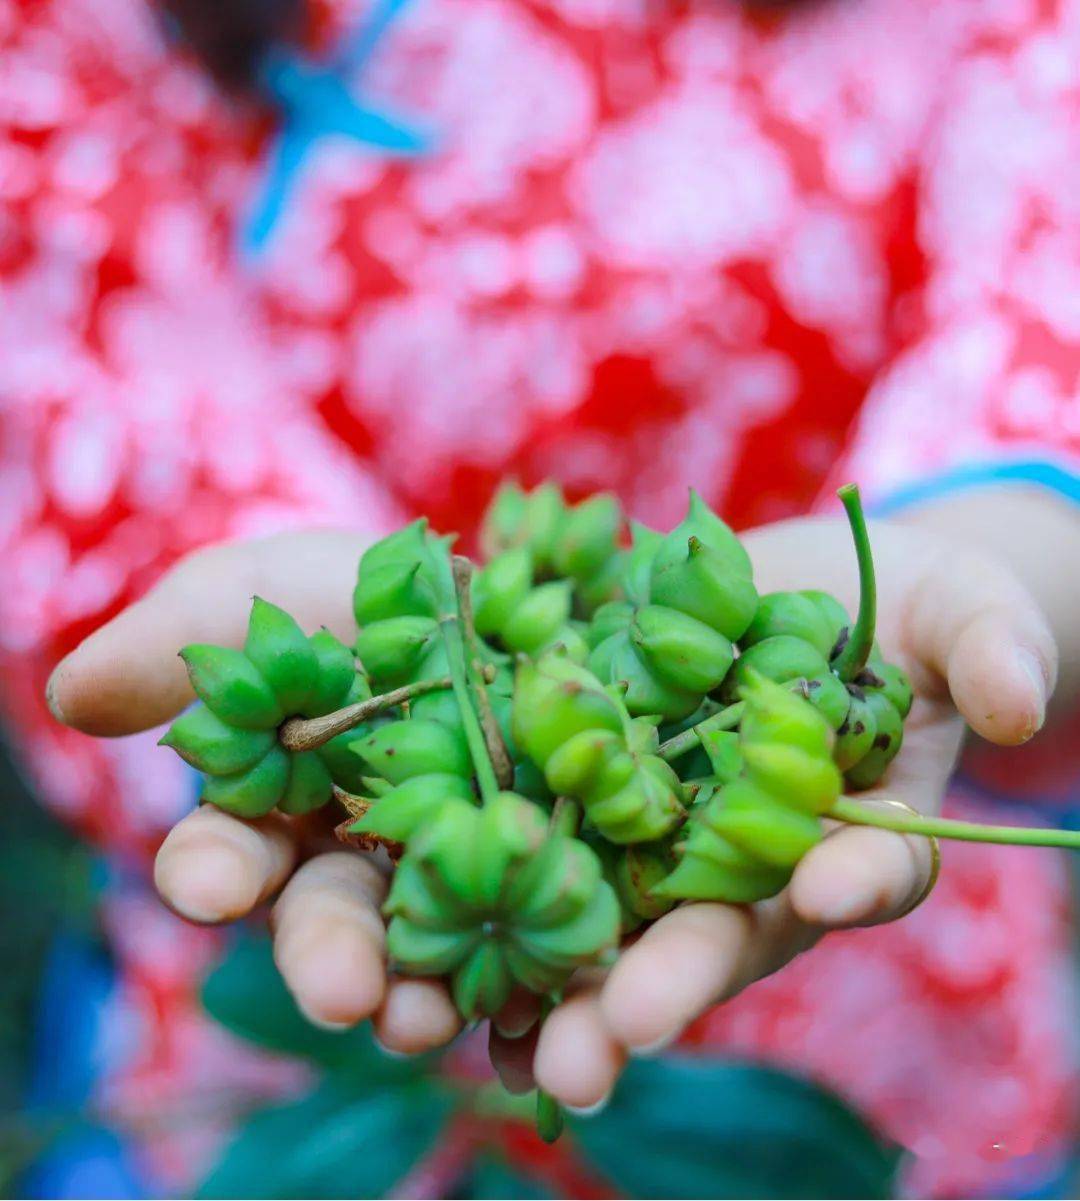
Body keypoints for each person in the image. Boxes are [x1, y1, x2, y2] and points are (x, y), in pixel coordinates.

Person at [4, 0, 1080, 1193]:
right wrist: (323, 684)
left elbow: (1048, 298)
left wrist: (1006, 549)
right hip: (320, 1032)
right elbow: (76, 392)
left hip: (899, 1024)